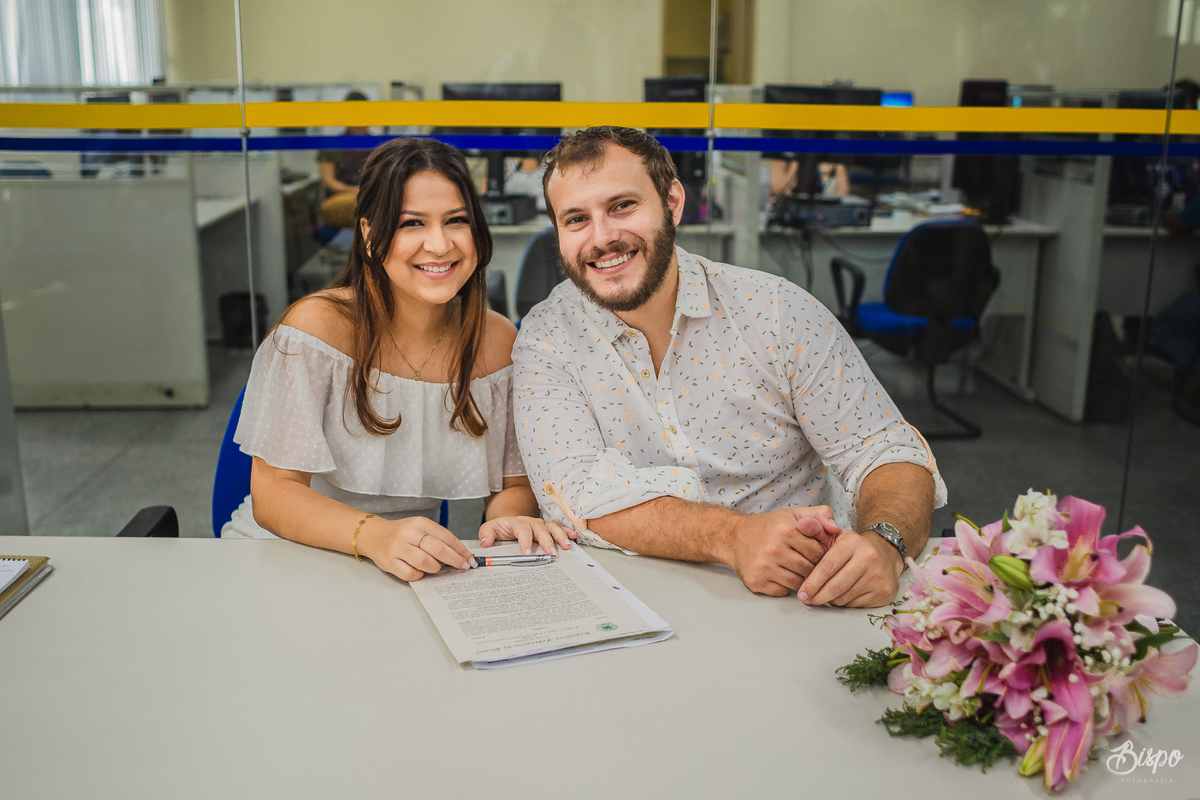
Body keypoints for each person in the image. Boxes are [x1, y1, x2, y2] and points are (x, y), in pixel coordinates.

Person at [512, 126, 946, 608]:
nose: (603, 237)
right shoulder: (548, 337)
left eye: (622, 206)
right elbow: (577, 496)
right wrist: (731, 538)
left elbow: (884, 450)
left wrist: (885, 543)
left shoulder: (776, 312)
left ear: (672, 203)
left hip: (805, 593)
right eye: (576, 219)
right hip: (635, 598)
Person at [223, 137, 576, 580]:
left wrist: (507, 521)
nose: (440, 243)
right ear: (370, 235)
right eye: (412, 223)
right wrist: (374, 536)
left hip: (405, 568)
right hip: (290, 555)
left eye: (457, 220)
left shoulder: (496, 342)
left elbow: (514, 484)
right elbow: (274, 494)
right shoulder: (315, 329)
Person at [318, 90, 373, 229]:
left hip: (371, 195)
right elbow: (328, 181)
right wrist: (354, 190)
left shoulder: (378, 145)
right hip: (343, 196)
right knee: (361, 207)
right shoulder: (333, 145)